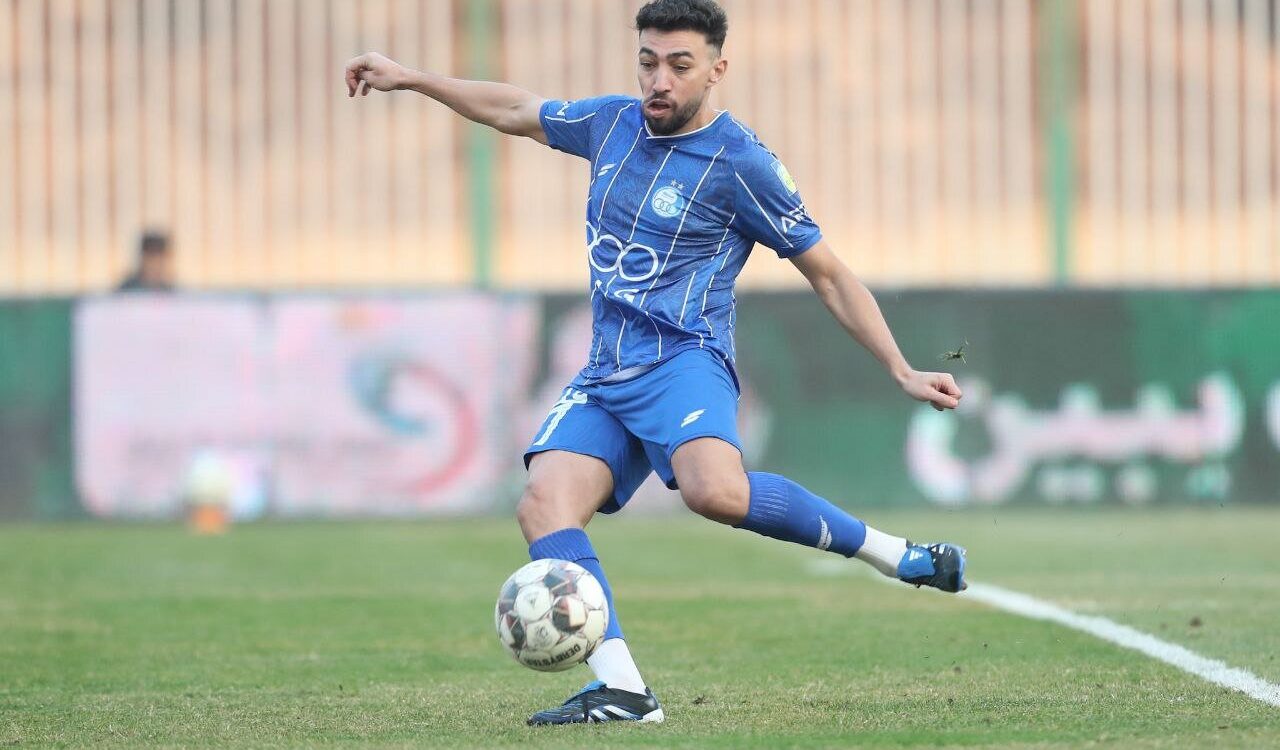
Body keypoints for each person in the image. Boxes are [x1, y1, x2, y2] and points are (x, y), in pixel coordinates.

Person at [345, 0, 966, 726]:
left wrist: (899, 367)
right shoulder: (610, 124)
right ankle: (624, 690)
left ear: (716, 70)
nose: (659, 80)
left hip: (685, 363)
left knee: (715, 493)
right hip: (608, 372)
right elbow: (515, 108)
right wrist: (411, 78)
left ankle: (897, 556)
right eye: (648, 62)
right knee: (543, 505)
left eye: (679, 65)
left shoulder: (742, 164)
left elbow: (827, 272)